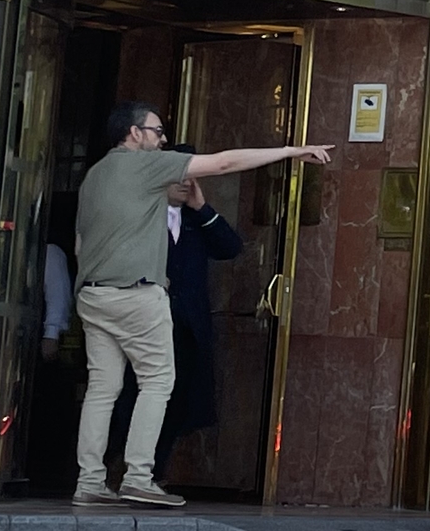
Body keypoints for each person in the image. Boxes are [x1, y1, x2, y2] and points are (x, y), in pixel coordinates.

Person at [74, 103, 328, 507]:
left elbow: (81, 242)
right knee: (157, 382)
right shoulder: (146, 165)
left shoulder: (96, 175)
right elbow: (225, 163)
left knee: (103, 389)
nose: (162, 140)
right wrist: (291, 152)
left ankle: (89, 481)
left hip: (92, 293)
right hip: (136, 293)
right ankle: (139, 475)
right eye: (157, 132)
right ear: (134, 134)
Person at [106, 148, 244, 482]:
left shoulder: (198, 219)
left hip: (185, 329)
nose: (185, 182)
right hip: (144, 322)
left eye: (191, 175)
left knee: (176, 401)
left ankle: (153, 472)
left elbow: (230, 247)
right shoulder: (141, 215)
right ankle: (113, 464)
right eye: (177, 174)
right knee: (130, 396)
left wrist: (202, 207)